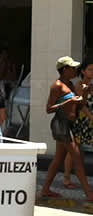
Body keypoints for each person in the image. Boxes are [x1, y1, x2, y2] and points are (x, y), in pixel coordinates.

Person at [40, 56, 93, 201]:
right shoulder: (57, 86)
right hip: (61, 124)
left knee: (58, 159)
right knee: (77, 158)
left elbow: (79, 105)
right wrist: (68, 102)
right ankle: (89, 194)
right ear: (64, 70)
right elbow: (49, 109)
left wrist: (85, 93)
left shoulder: (70, 84)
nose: (75, 70)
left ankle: (45, 189)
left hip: (69, 124)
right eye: (72, 68)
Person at [63, 59, 93, 188]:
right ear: (83, 71)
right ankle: (66, 178)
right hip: (80, 121)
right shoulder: (79, 86)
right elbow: (81, 105)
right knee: (73, 150)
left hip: (89, 121)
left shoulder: (91, 86)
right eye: (90, 69)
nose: (92, 72)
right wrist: (90, 117)